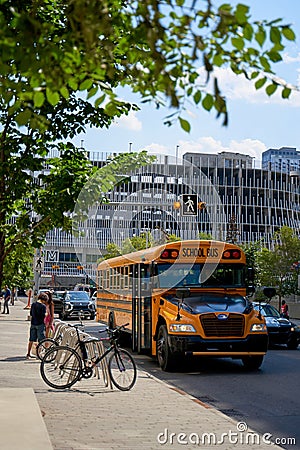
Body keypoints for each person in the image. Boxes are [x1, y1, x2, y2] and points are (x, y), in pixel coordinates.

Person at [26, 292, 47, 359]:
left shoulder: (33, 304)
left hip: (33, 323)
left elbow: (31, 313)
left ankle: (28, 353)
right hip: (40, 324)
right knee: (40, 340)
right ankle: (38, 354)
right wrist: (45, 315)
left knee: (31, 339)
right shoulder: (43, 306)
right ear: (43, 300)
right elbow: (43, 316)